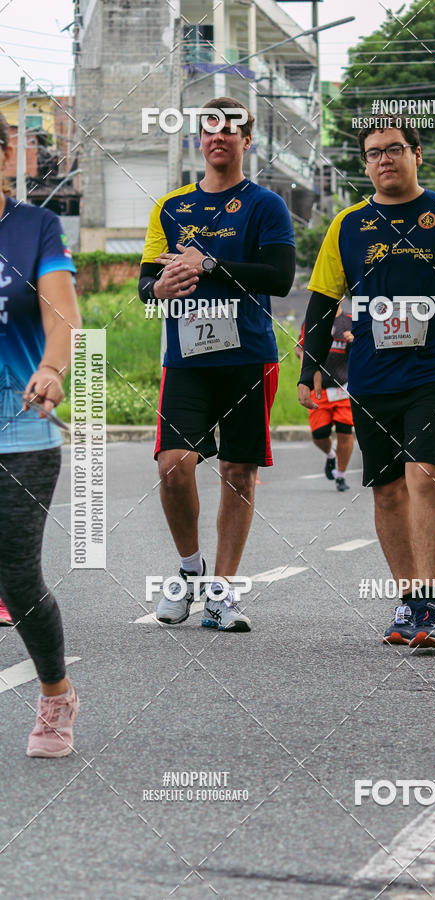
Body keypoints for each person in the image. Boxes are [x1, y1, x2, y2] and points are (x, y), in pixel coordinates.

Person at [298, 118, 435, 649]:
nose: (384, 159)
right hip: (372, 376)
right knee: (386, 490)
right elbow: (321, 302)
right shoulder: (348, 224)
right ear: (365, 164)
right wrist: (309, 368)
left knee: (426, 473)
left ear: (417, 154)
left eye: (394, 149)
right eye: (373, 153)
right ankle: (407, 600)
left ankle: (428, 604)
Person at [139, 97, 295, 631]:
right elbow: (144, 284)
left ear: (246, 141)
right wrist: (158, 285)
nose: (219, 138)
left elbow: (279, 277)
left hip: (249, 356)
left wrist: (211, 264)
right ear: (198, 141)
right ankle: (189, 569)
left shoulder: (265, 205)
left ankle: (223, 593)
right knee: (174, 466)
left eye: (231, 131)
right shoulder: (170, 208)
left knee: (239, 473)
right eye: (209, 130)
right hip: (187, 359)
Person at [0, 112, 81, 757]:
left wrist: (53, 367)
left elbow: (62, 315)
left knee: (17, 575)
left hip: (22, 425)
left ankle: (55, 694)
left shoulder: (35, 229)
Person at [295, 301, 354, 491]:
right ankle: (330, 455)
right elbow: (299, 347)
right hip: (319, 388)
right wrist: (305, 363)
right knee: (319, 434)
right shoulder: (313, 320)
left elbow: (365, 349)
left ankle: (341, 476)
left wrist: (354, 341)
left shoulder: (350, 321)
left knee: (345, 432)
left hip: (343, 387)